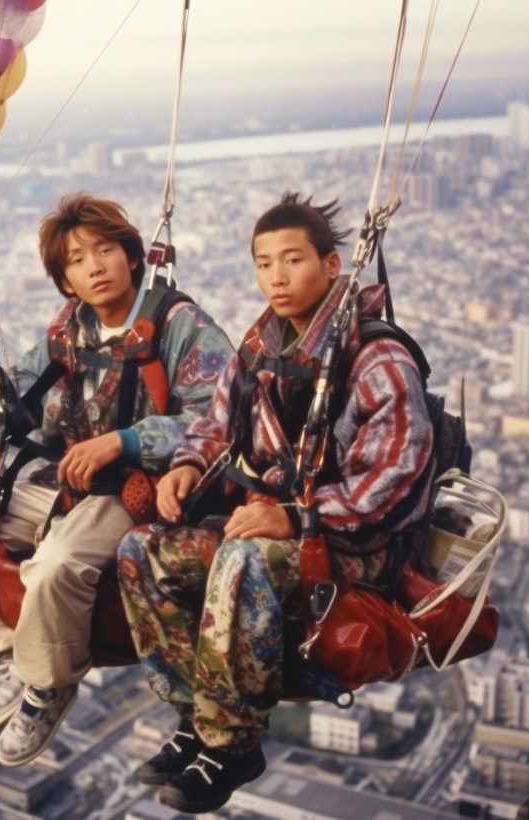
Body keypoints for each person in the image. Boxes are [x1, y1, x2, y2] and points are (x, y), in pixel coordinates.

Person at [117, 191, 435, 814]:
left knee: (245, 559)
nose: (276, 277)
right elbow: (216, 423)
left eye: (292, 260)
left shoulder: (378, 360)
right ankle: (197, 718)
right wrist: (183, 467)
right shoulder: (260, 346)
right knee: (142, 550)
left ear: (332, 265)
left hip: (355, 546)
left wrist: (293, 517)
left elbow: (392, 485)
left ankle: (234, 746)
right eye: (264, 263)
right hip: (278, 526)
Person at [0, 192, 232, 768]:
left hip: (137, 490)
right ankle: (9, 657)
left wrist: (126, 440)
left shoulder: (179, 327)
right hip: (65, 485)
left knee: (56, 566)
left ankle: (48, 684)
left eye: (105, 250)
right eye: (77, 260)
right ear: (65, 279)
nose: (94, 266)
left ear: (132, 256)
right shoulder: (68, 334)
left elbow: (224, 419)